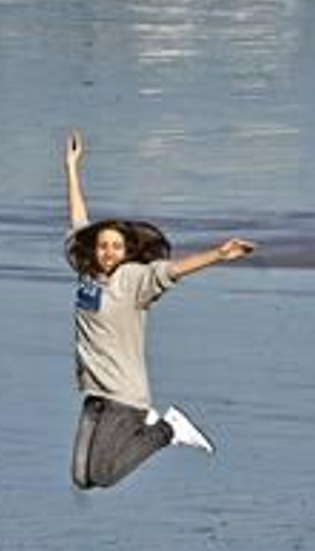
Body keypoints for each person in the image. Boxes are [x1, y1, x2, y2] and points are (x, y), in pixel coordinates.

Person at [62, 130, 256, 490]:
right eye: (102, 246)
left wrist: (219, 254)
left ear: (126, 252)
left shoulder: (135, 279)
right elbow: (78, 223)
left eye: (116, 247)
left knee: (103, 476)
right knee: (81, 479)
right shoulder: (88, 275)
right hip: (95, 393)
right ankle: (156, 427)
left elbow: (173, 270)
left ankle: (169, 429)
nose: (107, 252)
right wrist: (71, 168)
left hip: (123, 395)